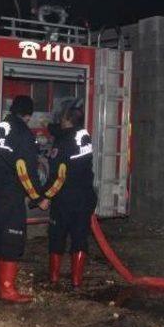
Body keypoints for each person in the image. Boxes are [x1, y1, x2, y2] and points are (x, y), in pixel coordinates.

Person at [0, 95, 49, 303]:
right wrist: (38, 198)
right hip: (11, 196)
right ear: (28, 116)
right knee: (12, 240)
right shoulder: (23, 134)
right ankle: (7, 290)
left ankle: (0, 285)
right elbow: (25, 171)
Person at [42, 106, 97, 288]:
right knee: (80, 237)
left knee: (57, 236)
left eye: (62, 118)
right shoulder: (84, 136)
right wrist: (49, 127)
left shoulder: (62, 142)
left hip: (64, 197)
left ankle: (54, 277)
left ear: (67, 120)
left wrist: (46, 196)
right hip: (85, 196)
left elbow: (56, 174)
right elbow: (61, 131)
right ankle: (76, 280)